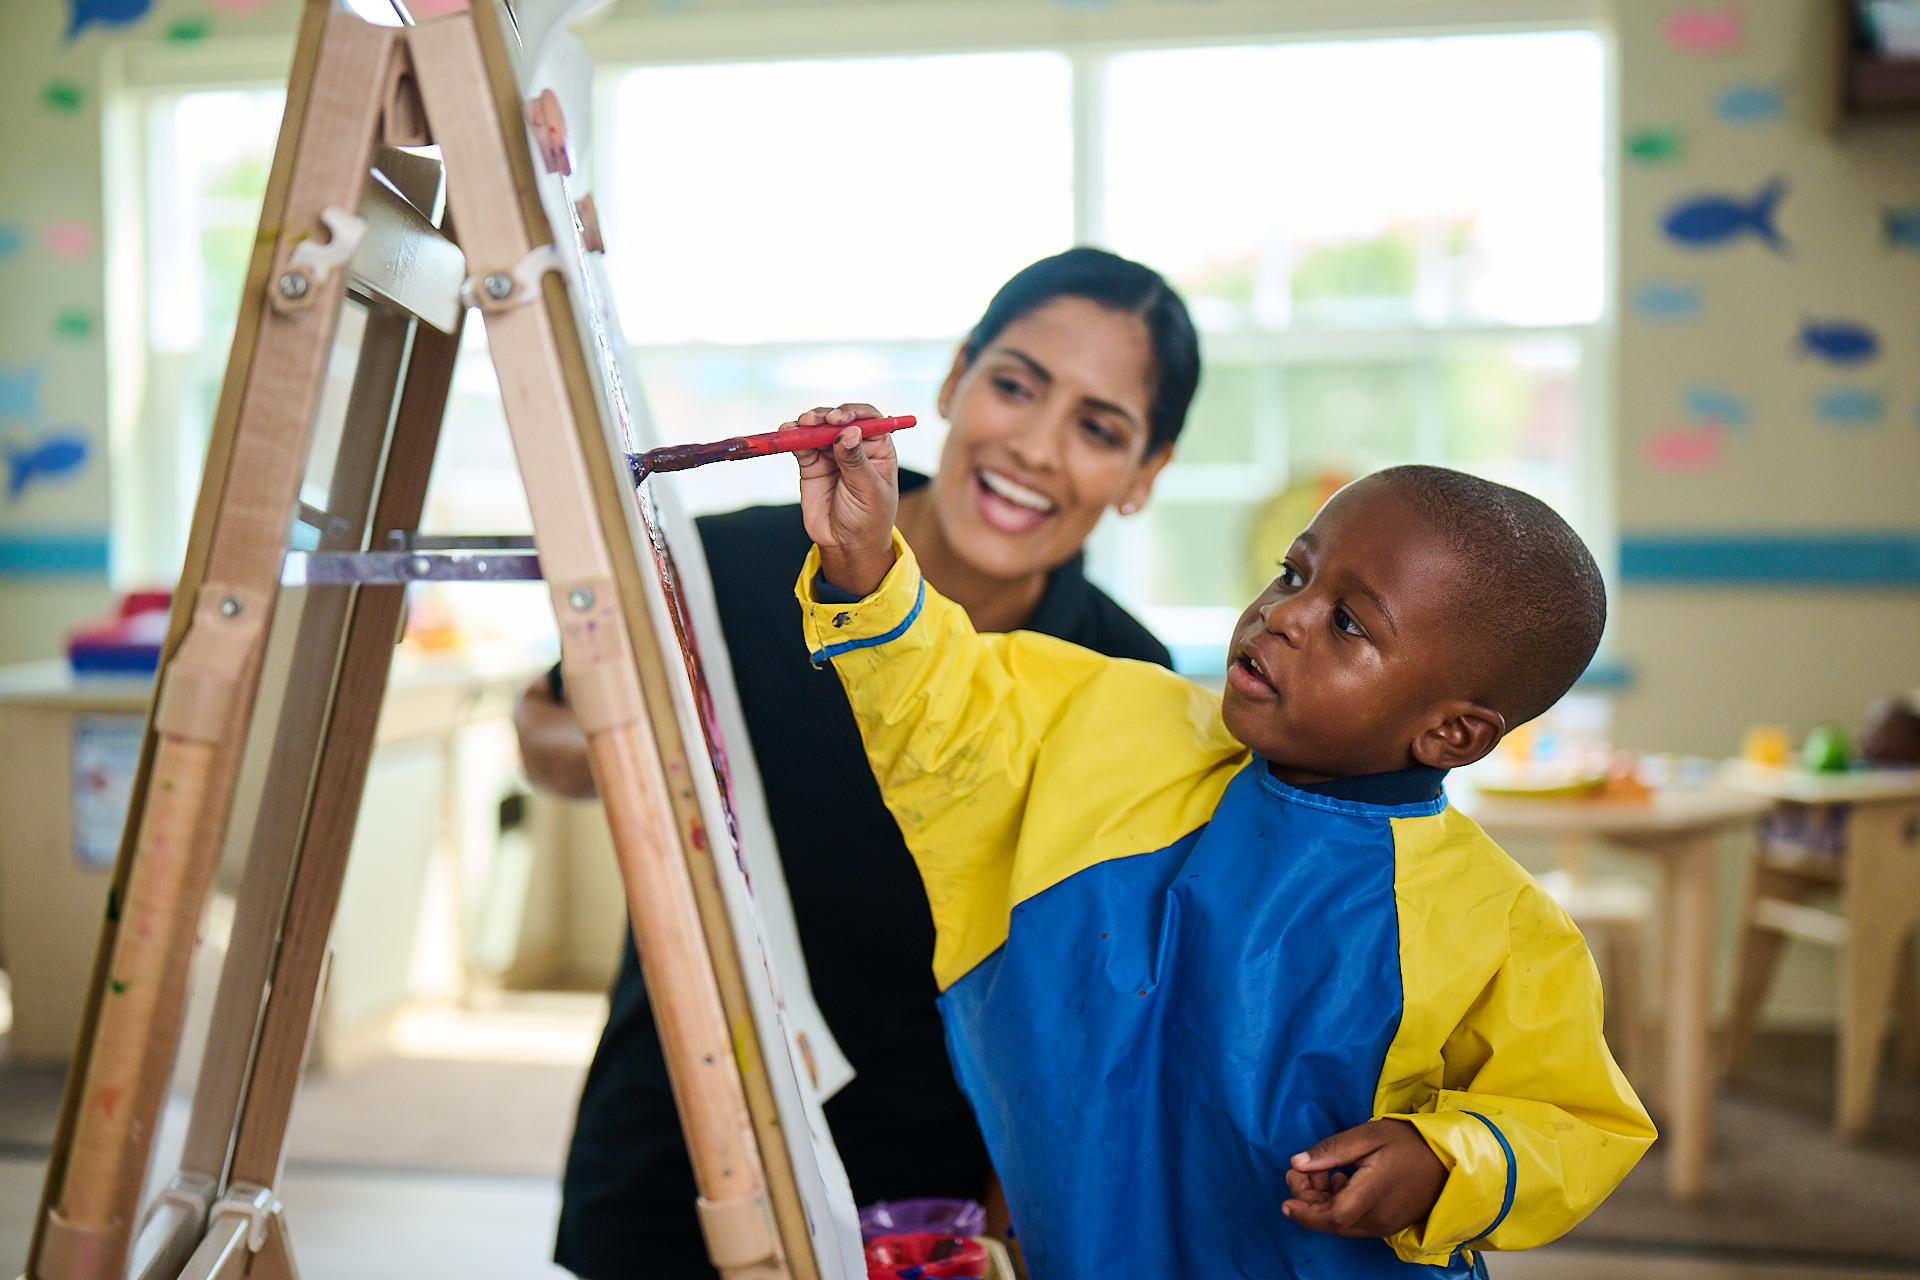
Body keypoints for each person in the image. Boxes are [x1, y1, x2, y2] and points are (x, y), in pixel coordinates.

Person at [792, 420, 1657, 1279]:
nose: (1283, 616)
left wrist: (1441, 1159)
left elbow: (1574, 1124)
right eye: (1294, 572)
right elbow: (950, 706)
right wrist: (866, 567)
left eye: (1349, 624)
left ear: (1452, 732)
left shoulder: (1496, 927)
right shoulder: (1121, 724)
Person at [520, 248, 1202, 1279]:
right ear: (955, 377)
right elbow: (549, 732)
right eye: (1014, 384)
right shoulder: (734, 563)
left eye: (1100, 427)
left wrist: (1001, 1225)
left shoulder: (1126, 676)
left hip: (929, 1194)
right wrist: (629, 758)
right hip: (677, 1142)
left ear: (1145, 475)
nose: (1035, 445)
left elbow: (1097, 1007)